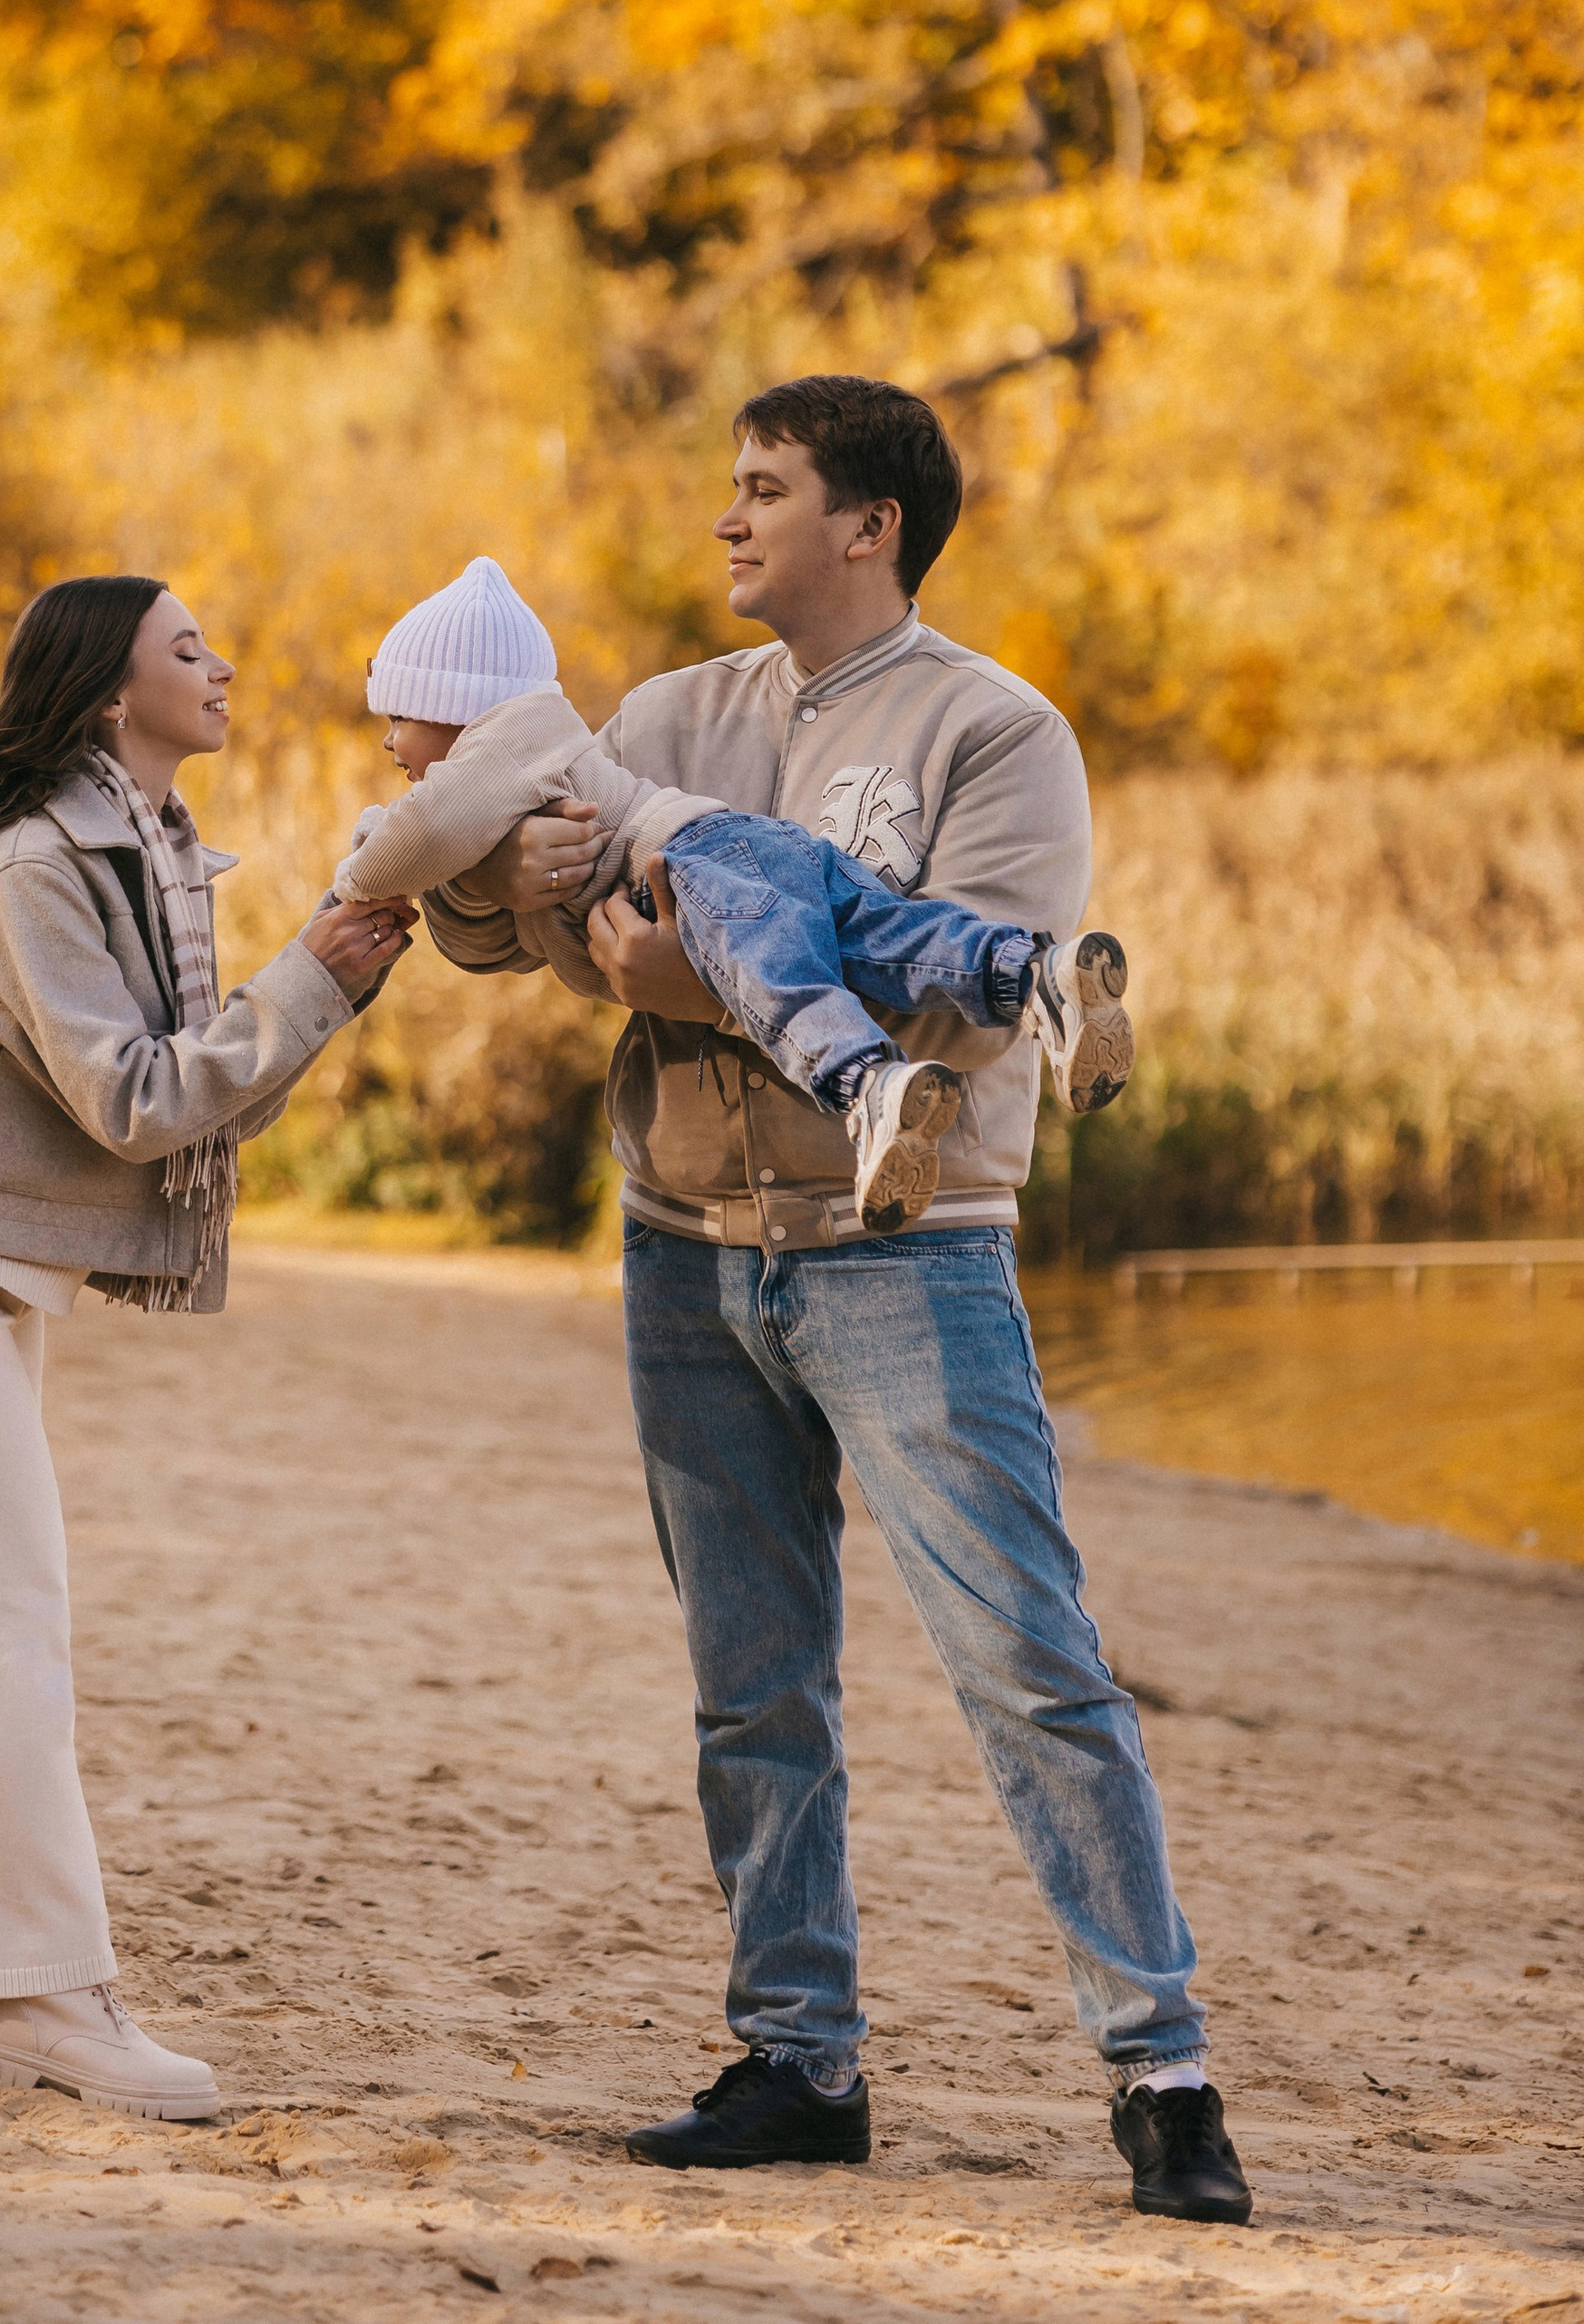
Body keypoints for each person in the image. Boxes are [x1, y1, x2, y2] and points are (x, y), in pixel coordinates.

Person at [421, 378, 1252, 2228]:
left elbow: (963, 1015)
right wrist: (520, 893)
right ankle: (795, 2060)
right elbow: (535, 939)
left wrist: (687, 985)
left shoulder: (996, 729)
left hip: (908, 1259)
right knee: (748, 1689)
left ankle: (1163, 2076)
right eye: (730, 492)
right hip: (681, 1249)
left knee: (1030, 1671)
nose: (724, 523)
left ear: (864, 524)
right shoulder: (663, 715)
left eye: (762, 493)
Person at [0, 572, 413, 2125]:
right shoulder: (35, 865)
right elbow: (136, 1101)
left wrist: (322, 987)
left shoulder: (146, 854)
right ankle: (37, 1994)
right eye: (187, 647)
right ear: (103, 695)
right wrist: (315, 978)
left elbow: (196, 1091)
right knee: (1, 1601)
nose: (224, 664)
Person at [333, 555, 1133, 1232]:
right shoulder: (593, 729)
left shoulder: (500, 746)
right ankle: (1029, 976)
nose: (388, 741)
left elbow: (418, 836)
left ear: (451, 707)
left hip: (690, 866)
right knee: (883, 933)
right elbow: (483, 938)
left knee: (777, 977)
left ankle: (867, 1086)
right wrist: (498, 877)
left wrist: (356, 873)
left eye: (399, 716)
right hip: (750, 848)